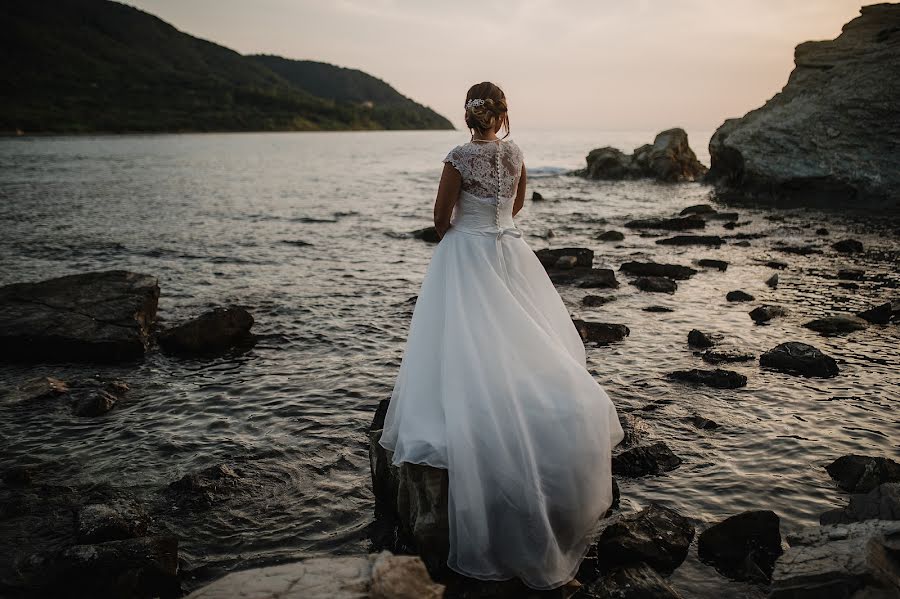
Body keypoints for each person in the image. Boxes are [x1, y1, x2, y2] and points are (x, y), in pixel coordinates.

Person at [378, 81, 625, 592]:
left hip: (466, 253)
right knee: (520, 335)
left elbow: (439, 219)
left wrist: (463, 237)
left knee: (467, 338)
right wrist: (493, 230)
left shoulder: (456, 157)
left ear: (468, 115)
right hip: (509, 250)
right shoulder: (514, 153)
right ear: (502, 115)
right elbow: (516, 206)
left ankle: (476, 409)